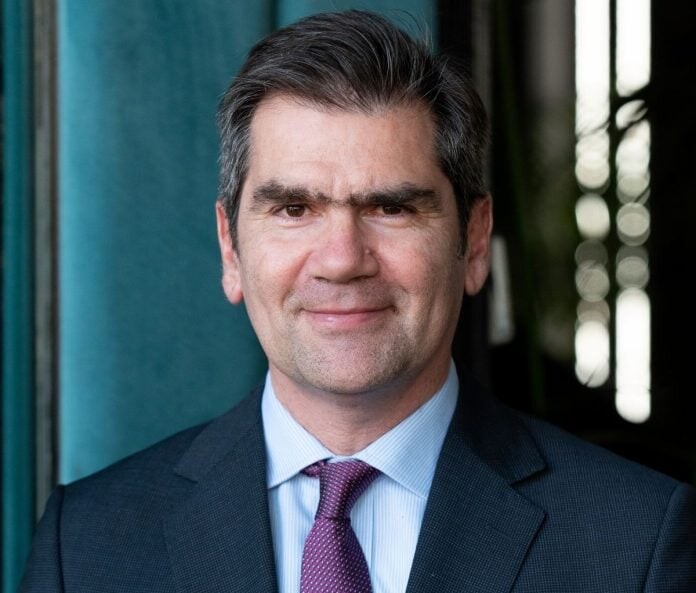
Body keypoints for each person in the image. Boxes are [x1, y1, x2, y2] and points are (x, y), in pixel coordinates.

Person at [20, 10, 696, 593]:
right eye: (294, 208)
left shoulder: (634, 542)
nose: (343, 258)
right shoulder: (87, 546)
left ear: (473, 242)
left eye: (391, 207)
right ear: (231, 249)